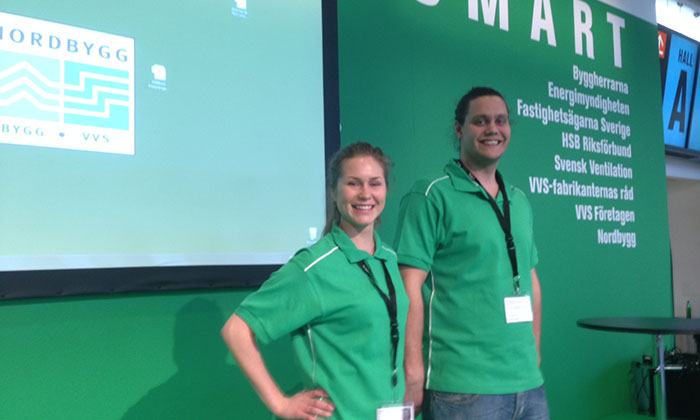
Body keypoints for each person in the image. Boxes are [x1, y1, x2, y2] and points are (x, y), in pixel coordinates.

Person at [221, 142, 410, 420]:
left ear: (386, 189)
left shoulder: (388, 258)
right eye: (353, 183)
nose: (365, 193)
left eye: (375, 183)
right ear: (334, 191)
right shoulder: (313, 268)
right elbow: (236, 329)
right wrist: (280, 404)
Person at [394, 87, 549, 419]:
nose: (493, 129)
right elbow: (408, 288)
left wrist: (533, 353)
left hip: (528, 385)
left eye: (501, 121)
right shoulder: (432, 194)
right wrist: (413, 372)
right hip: (462, 388)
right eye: (480, 121)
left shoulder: (519, 201)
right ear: (459, 129)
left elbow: (530, 280)